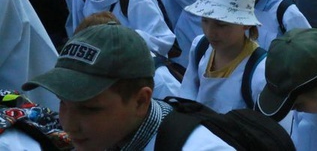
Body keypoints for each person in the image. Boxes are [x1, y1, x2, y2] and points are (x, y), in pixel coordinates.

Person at [23, 23, 234, 150]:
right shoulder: (113, 138)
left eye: (89, 108)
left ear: (141, 101)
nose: (68, 125)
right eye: (62, 102)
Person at [179, 0, 267, 111]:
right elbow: (187, 96)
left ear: (245, 24)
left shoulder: (259, 72)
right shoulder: (200, 47)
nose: (209, 32)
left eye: (221, 25)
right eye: (205, 20)